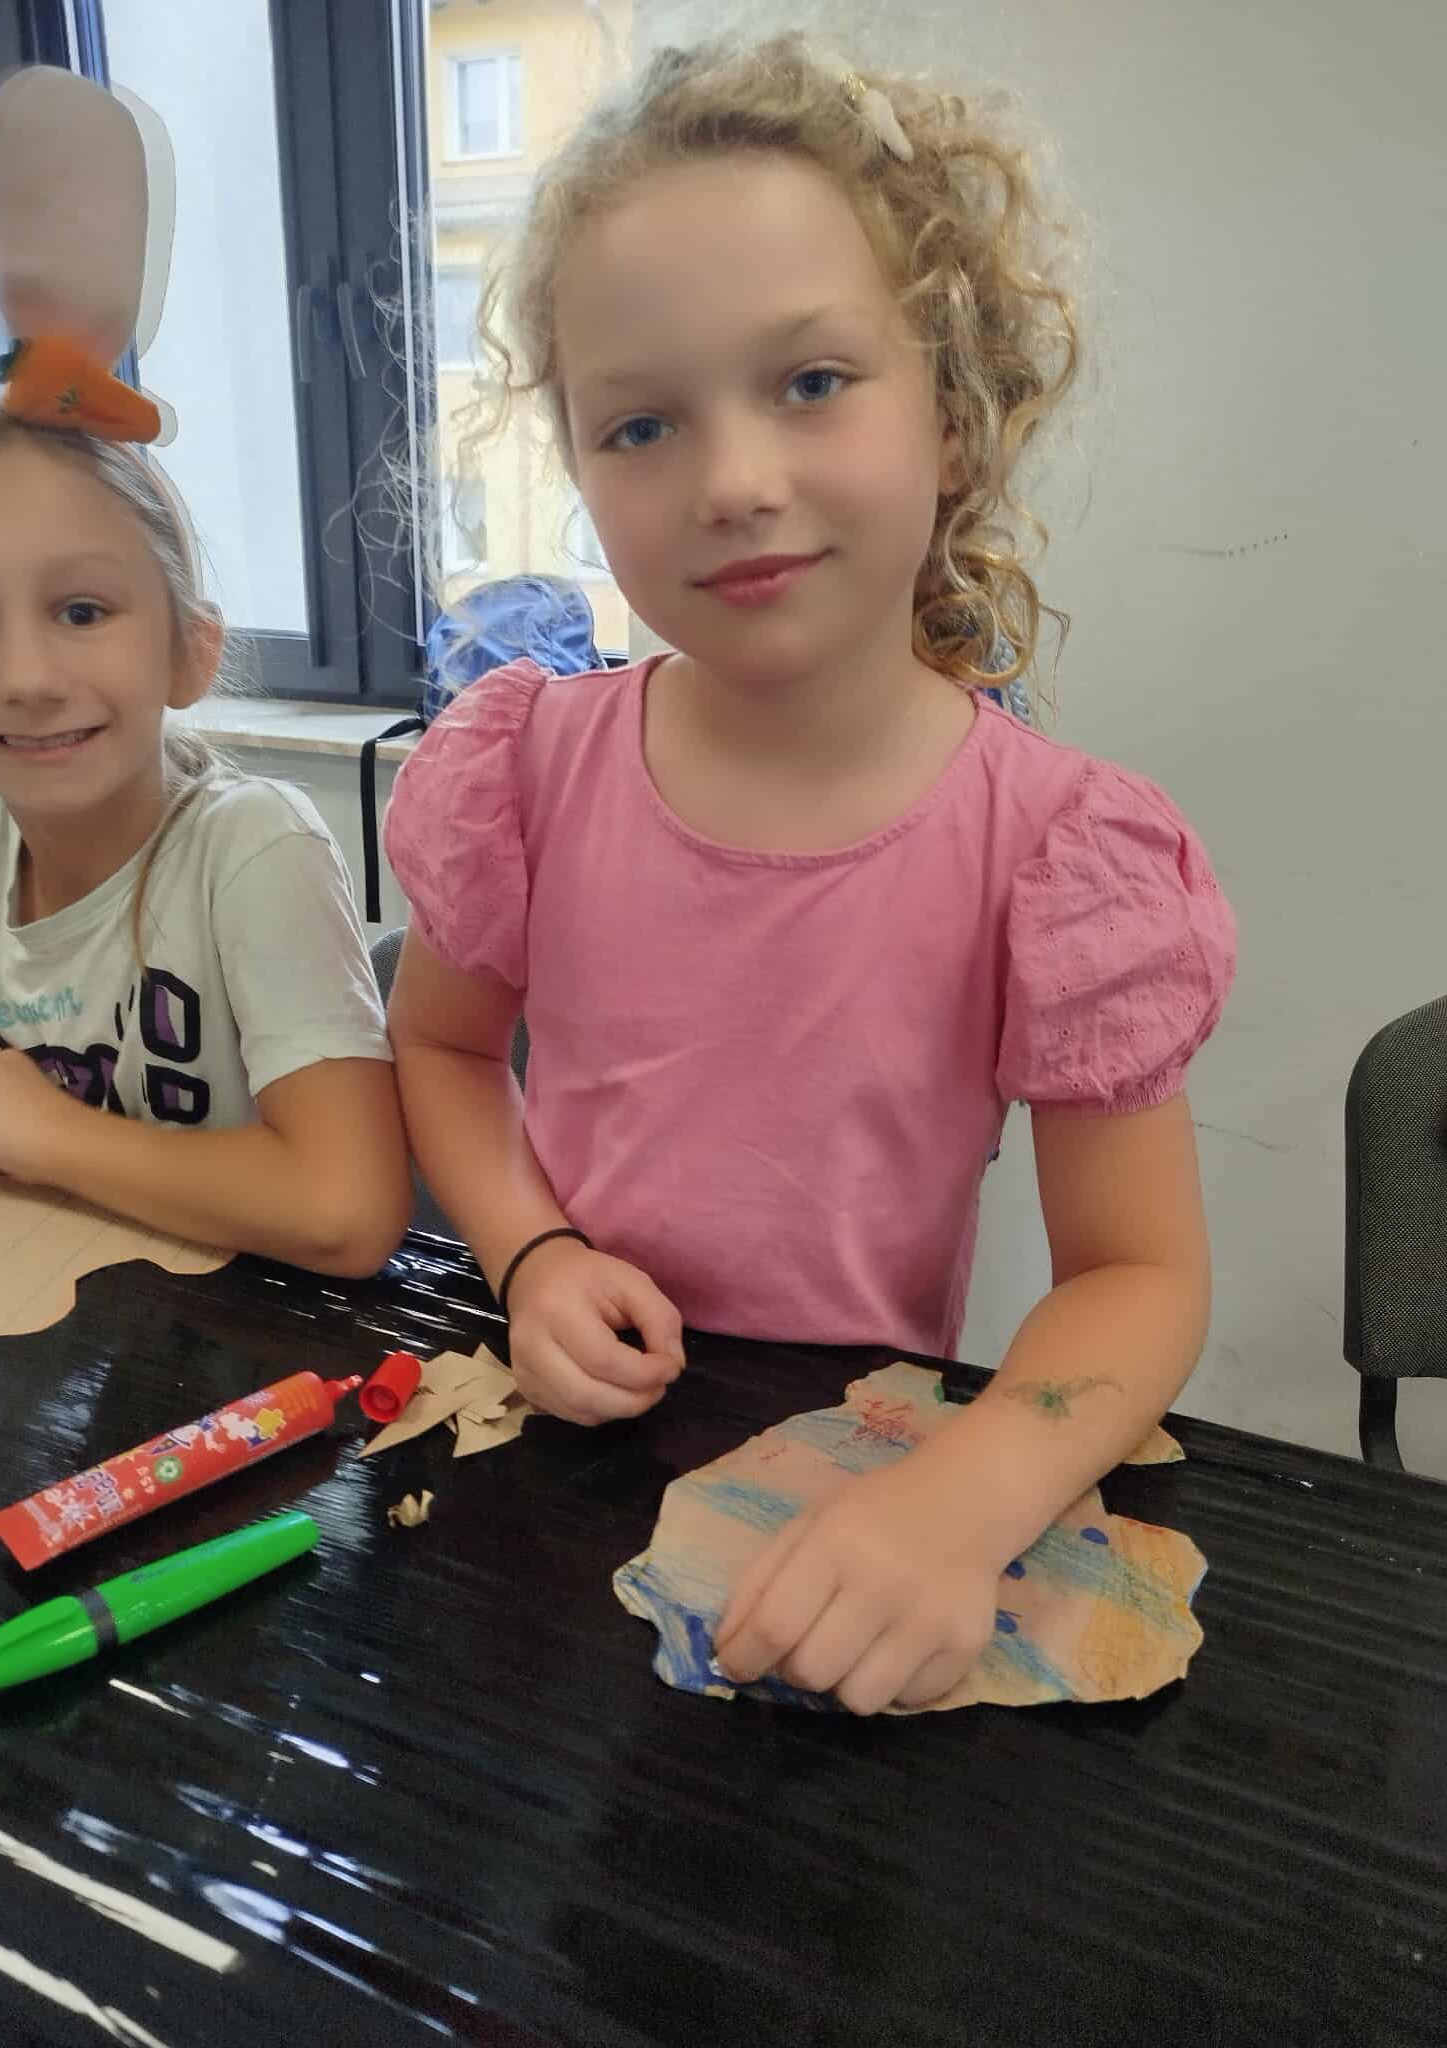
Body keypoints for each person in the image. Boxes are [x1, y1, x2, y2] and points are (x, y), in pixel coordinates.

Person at [382, 35, 1237, 1711]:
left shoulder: (1060, 854)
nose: (733, 483)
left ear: (955, 416)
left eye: (812, 381)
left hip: (857, 1493)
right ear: (578, 465)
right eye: (641, 422)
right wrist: (531, 1253)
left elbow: (1137, 1275)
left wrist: (965, 1499)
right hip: (552, 1457)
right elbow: (443, 1044)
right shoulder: (523, 773)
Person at [0, 404, 412, 1276]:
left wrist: (46, 1132)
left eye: (82, 610)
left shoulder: (252, 849)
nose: (26, 678)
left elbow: (347, 1212)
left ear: (191, 652)